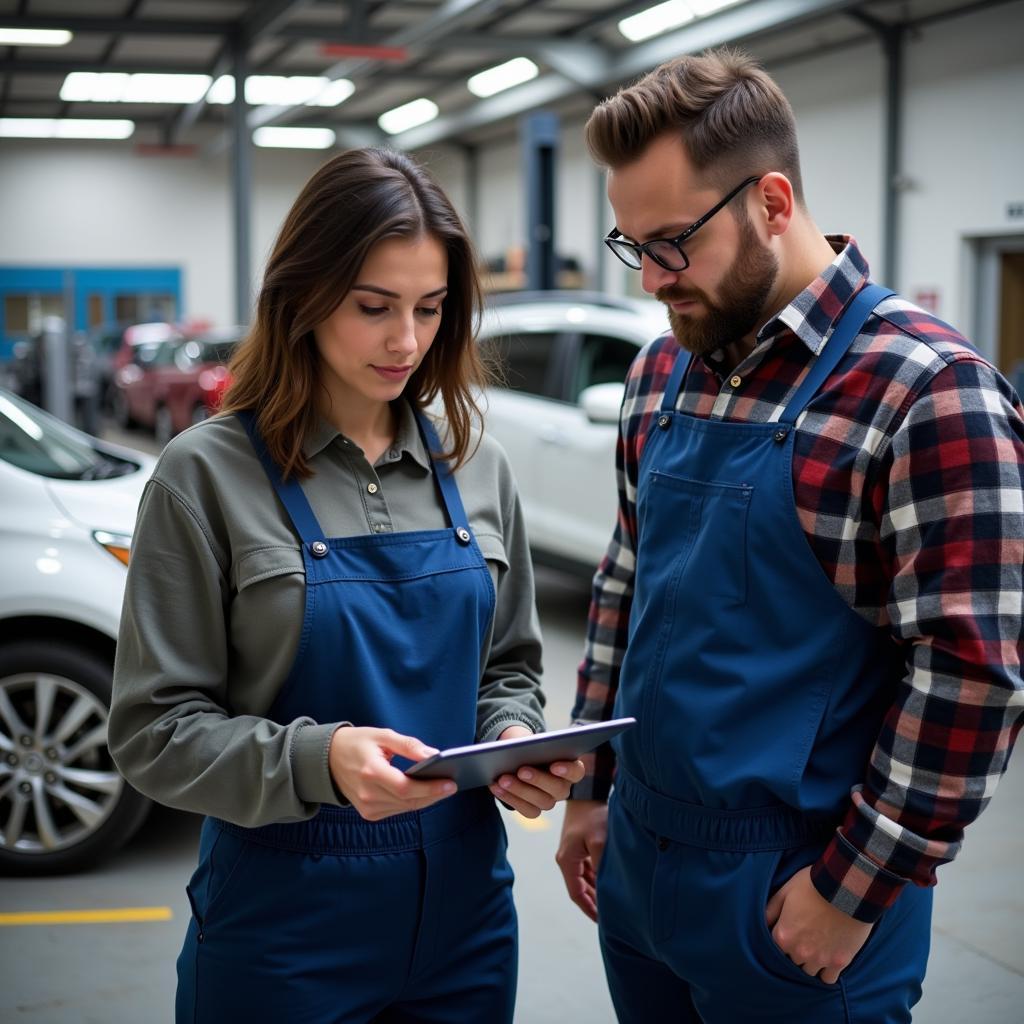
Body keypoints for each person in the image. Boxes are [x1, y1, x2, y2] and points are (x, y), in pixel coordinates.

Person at [555, 47, 1024, 1024]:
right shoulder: (661, 373)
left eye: (672, 243)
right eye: (629, 243)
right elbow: (625, 581)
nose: (649, 278)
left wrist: (852, 888)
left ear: (771, 201)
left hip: (796, 890)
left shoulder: (925, 390)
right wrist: (592, 788)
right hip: (638, 864)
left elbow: (971, 672)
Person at [109, 146, 584, 1024]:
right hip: (282, 931)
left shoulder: (478, 466)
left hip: (465, 924)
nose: (407, 340)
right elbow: (153, 732)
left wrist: (513, 737)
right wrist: (315, 761)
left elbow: (509, 666)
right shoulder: (204, 475)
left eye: (430, 309)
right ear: (305, 297)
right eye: (374, 308)